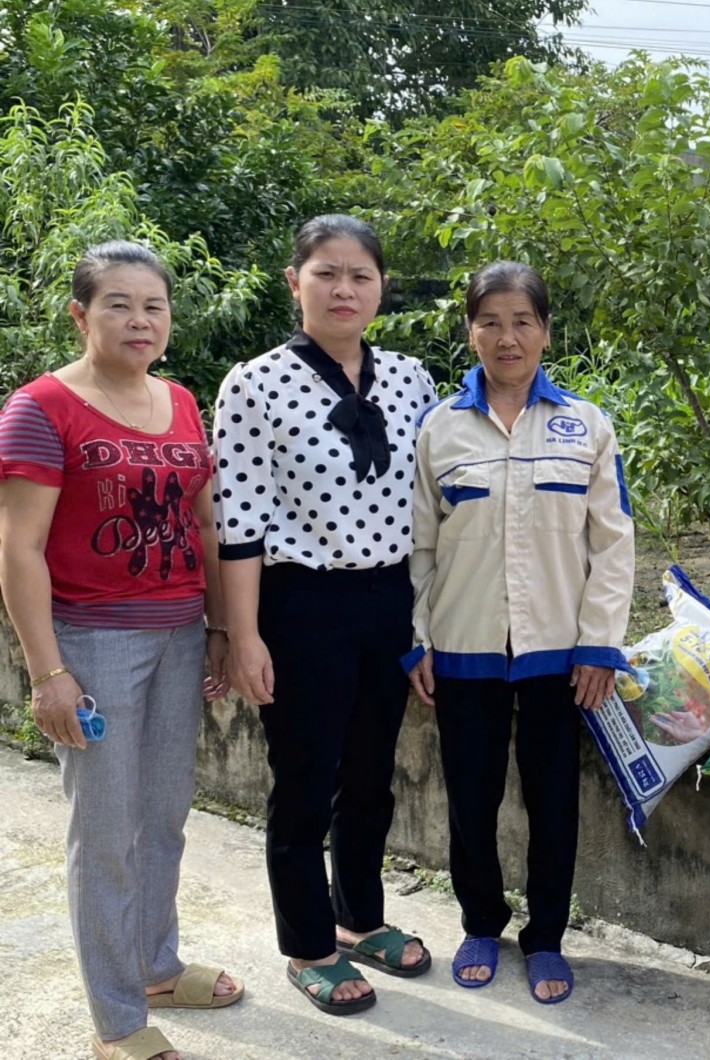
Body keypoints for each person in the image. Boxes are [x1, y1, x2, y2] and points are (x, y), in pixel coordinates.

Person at [0, 241, 242, 1060]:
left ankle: (155, 966)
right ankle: (117, 1021)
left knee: (164, 814)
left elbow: (204, 523)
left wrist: (218, 626)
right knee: (104, 831)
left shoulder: (180, 401)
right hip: (92, 641)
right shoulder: (40, 407)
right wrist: (47, 673)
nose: (140, 320)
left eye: (154, 307)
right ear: (79, 313)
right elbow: (19, 548)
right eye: (118, 304)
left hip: (179, 635)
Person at [214, 214, 437, 1015]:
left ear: (381, 288)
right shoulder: (255, 383)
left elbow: (430, 512)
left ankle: (358, 917)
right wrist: (242, 636)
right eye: (327, 273)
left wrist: (425, 628)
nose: (345, 290)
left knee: (372, 777)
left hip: (389, 603)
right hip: (300, 603)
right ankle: (308, 943)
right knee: (305, 782)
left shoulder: (412, 379)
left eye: (361, 276)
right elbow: (236, 521)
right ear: (295, 281)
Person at [405, 260, 634, 1003]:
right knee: (470, 797)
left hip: (558, 655)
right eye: (491, 321)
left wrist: (599, 643)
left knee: (553, 801)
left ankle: (546, 937)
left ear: (545, 331)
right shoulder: (438, 429)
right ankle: (480, 921)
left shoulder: (585, 425)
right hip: (462, 646)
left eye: (522, 321)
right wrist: (417, 639)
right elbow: (419, 546)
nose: (508, 337)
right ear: (470, 330)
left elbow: (613, 543)